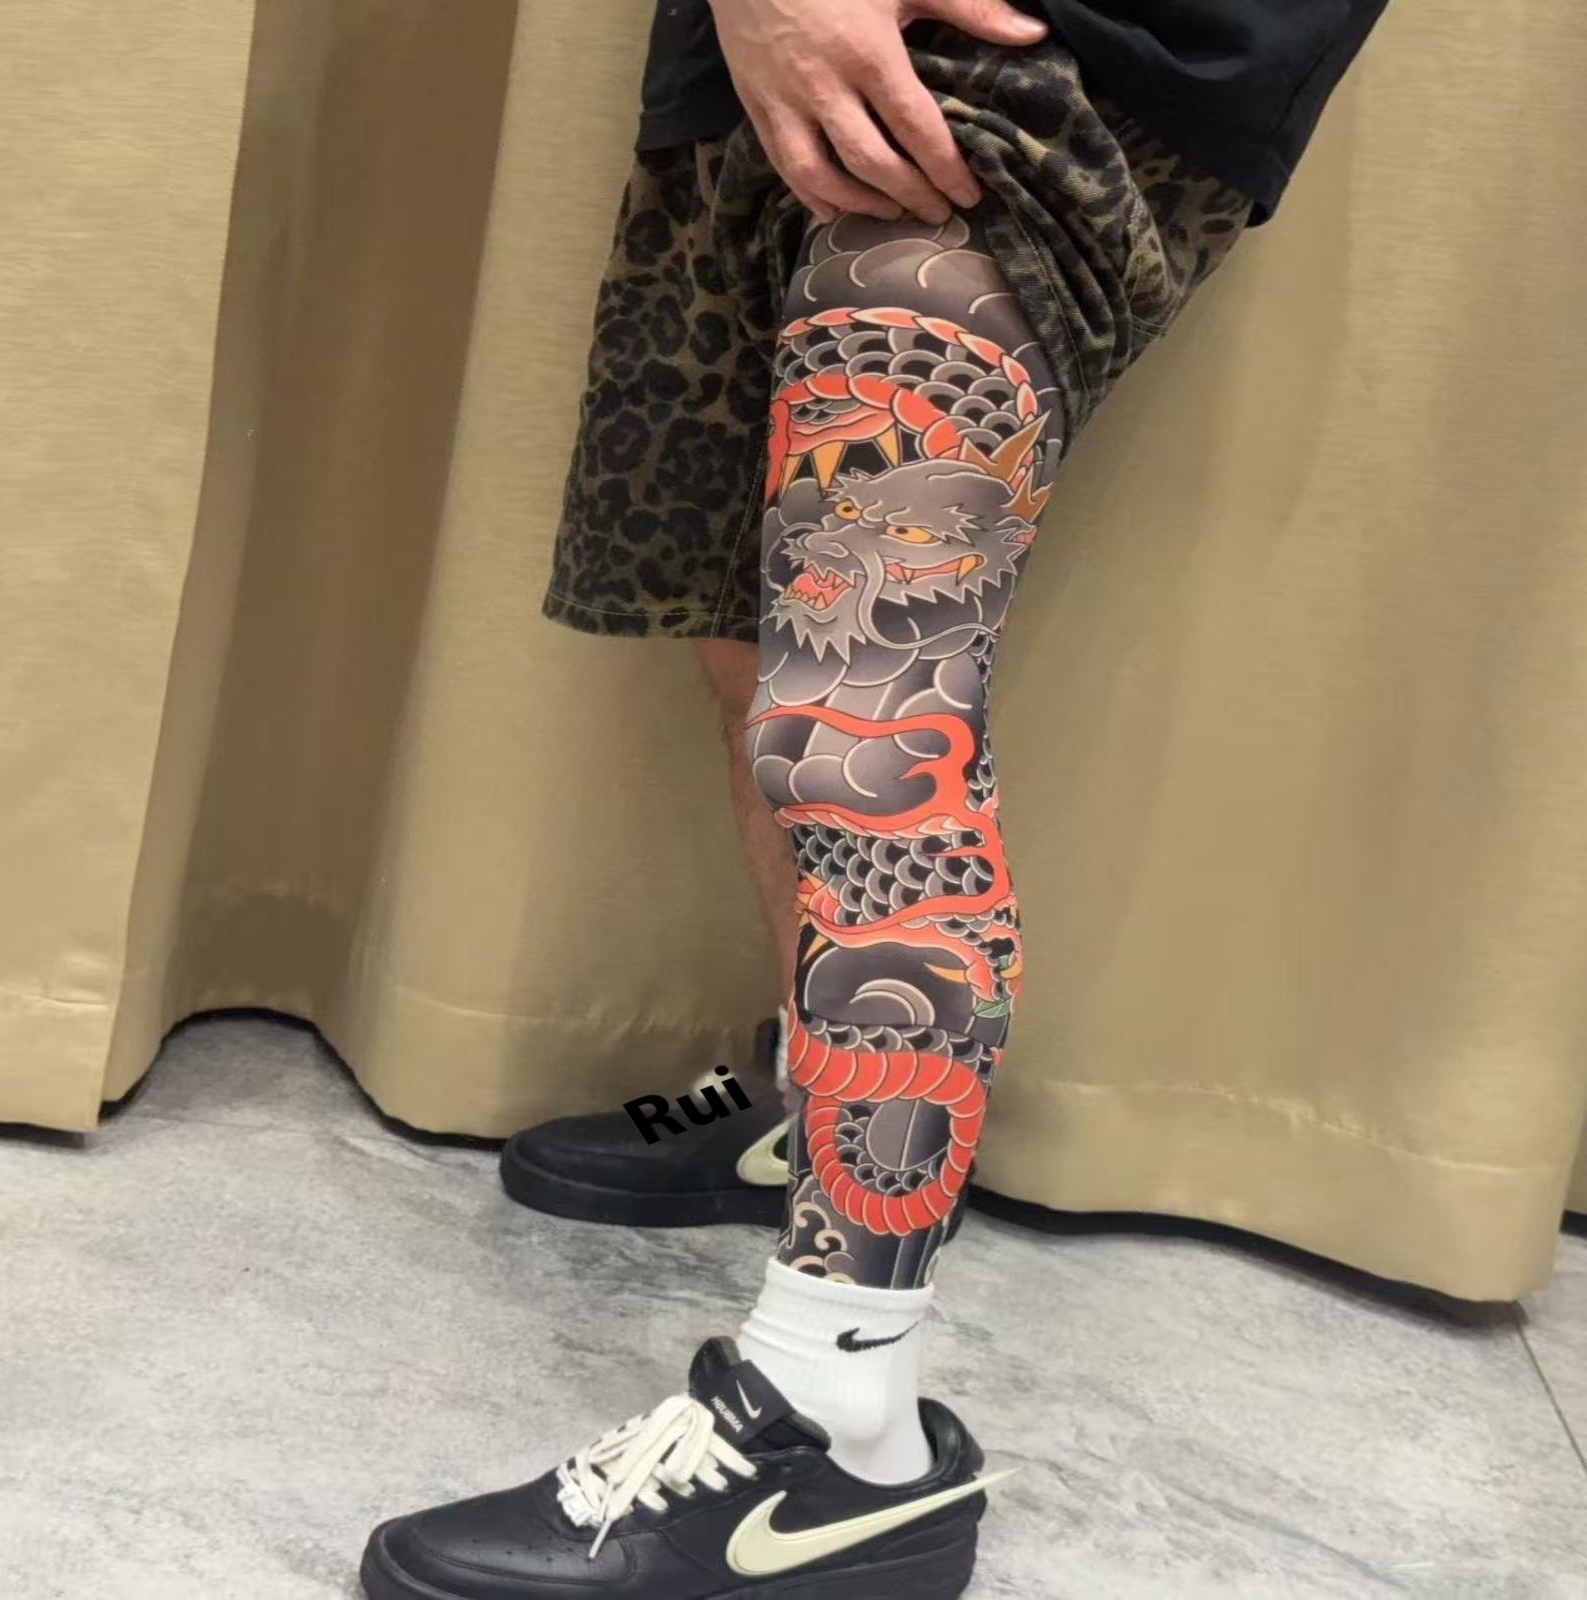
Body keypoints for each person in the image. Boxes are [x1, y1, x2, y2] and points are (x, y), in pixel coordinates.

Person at [361, 2, 1388, 1595]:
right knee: (752, 644)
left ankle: (840, 1420)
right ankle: (808, 1107)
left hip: (1039, 53)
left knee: (863, 707)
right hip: (740, 61)